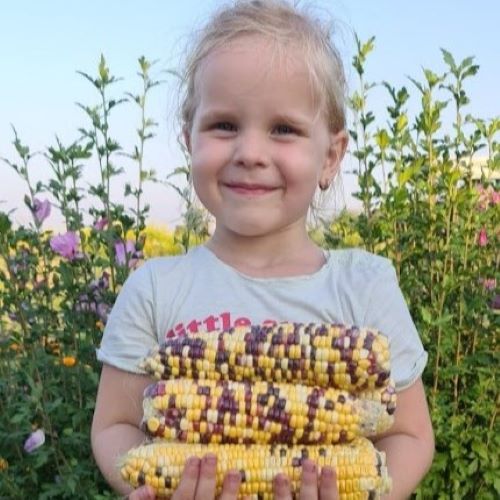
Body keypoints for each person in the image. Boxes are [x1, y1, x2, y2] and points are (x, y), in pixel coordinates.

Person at [91, 1, 435, 498]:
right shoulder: (155, 290)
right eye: (224, 125)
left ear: (331, 156)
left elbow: (410, 434)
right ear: (189, 140)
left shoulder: (365, 287)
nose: (250, 153)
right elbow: (115, 425)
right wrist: (151, 487)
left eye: (283, 129)